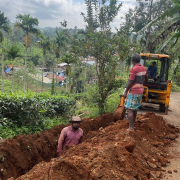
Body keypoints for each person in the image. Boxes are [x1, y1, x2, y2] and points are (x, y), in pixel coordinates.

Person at [124, 53, 148, 131]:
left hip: (134, 91)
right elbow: (146, 79)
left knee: (130, 109)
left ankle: (131, 127)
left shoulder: (134, 69)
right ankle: (133, 126)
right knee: (134, 109)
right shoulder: (144, 68)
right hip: (141, 90)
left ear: (132, 60)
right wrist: (140, 84)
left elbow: (130, 81)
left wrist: (126, 91)